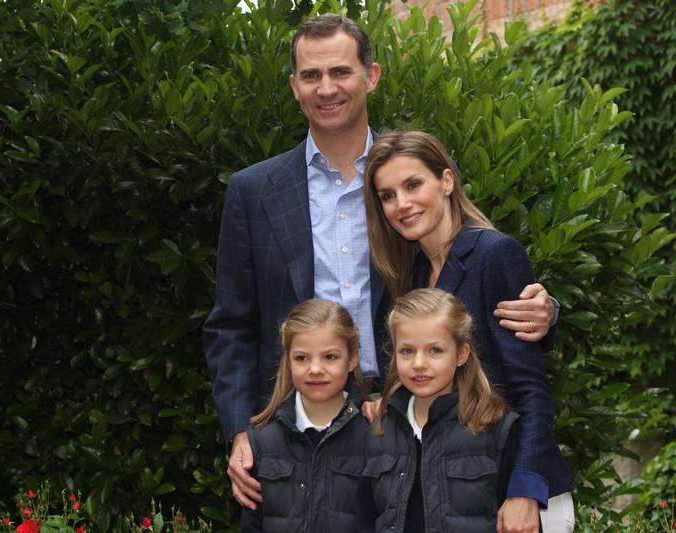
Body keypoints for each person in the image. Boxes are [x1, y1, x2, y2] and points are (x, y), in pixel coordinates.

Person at [203, 14, 555, 512]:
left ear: (371, 76)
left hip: (409, 418)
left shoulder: (404, 182)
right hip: (294, 427)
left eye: (341, 71)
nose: (327, 88)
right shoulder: (253, 191)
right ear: (294, 86)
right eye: (311, 75)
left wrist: (545, 310)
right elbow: (232, 325)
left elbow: (470, 268)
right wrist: (241, 429)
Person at [363, 130, 575, 532]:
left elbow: (530, 387)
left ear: (446, 181)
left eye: (413, 185)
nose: (402, 204)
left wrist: (524, 490)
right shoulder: (410, 274)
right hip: (459, 492)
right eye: (387, 195)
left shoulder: (494, 254)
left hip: (514, 491)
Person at [368, 288, 520, 532]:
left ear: (461, 354)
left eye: (435, 350)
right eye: (407, 351)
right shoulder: (379, 430)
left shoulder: (495, 427)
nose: (419, 364)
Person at [239, 299, 375, 532]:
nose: (315, 369)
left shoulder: (375, 436)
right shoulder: (260, 441)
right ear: (288, 361)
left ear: (352, 359)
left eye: (330, 357)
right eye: (302, 357)